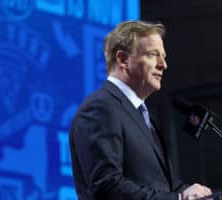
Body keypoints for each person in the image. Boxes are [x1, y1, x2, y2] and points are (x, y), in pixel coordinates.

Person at [69, 20, 212, 200]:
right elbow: (107, 185)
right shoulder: (100, 108)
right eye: (153, 55)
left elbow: (162, 185)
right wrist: (179, 199)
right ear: (123, 59)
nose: (163, 65)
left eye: (164, 56)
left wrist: (194, 192)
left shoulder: (141, 114)